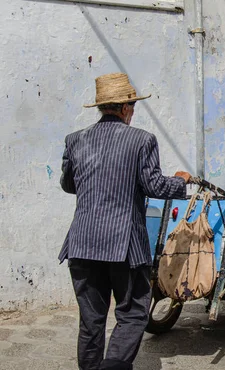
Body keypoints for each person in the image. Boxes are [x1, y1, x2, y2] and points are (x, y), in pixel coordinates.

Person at [59, 72, 191, 370]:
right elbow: (155, 187)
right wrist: (181, 182)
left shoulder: (75, 140)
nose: (132, 112)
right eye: (132, 106)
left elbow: (69, 185)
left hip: (82, 244)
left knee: (91, 321)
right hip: (123, 246)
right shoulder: (142, 140)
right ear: (124, 108)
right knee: (132, 313)